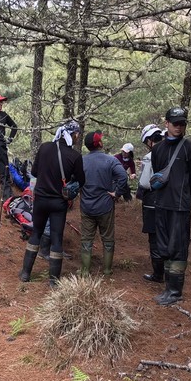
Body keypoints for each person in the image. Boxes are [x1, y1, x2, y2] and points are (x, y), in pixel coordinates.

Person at [19, 120, 85, 286]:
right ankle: (53, 281)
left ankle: (25, 274)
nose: (78, 137)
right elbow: (81, 181)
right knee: (57, 238)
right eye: (77, 134)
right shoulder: (75, 156)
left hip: (40, 199)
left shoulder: (44, 147)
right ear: (74, 135)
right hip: (59, 202)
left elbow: (34, 172)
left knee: (36, 234)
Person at [151, 107, 191, 305]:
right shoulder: (158, 149)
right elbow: (157, 174)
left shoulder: (189, 148)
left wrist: (185, 197)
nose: (179, 127)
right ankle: (167, 289)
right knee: (164, 247)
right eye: (175, 123)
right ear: (167, 124)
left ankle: (175, 291)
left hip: (180, 207)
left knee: (178, 247)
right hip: (162, 204)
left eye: (182, 124)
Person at [79, 131, 127, 275]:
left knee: (86, 239)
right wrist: (117, 193)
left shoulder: (81, 161)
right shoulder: (110, 160)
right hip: (105, 206)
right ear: (100, 144)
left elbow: (74, 179)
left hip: (86, 206)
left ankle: (85, 271)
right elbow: (123, 177)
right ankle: (107, 270)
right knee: (107, 238)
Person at [137, 124, 165, 283]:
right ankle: (170, 271)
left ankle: (158, 274)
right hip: (170, 200)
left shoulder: (150, 156)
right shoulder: (171, 151)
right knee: (167, 234)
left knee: (154, 237)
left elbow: (146, 183)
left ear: (149, 140)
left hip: (152, 200)